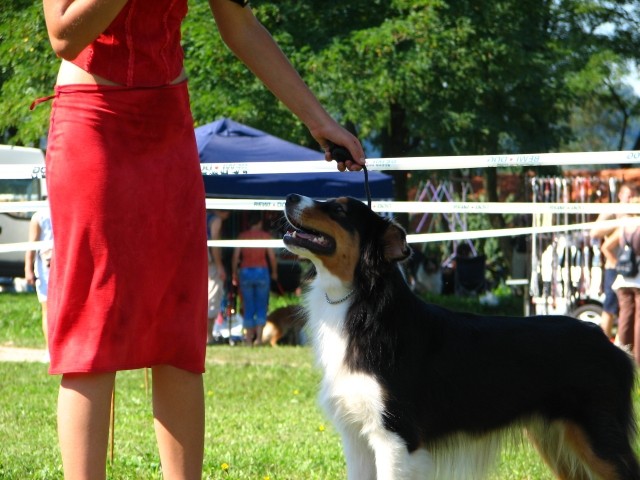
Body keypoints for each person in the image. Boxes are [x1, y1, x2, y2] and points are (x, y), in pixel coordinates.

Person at [39, 1, 366, 479]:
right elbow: (64, 36)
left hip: (169, 122)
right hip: (94, 120)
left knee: (179, 328)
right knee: (92, 325)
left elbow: (240, 25)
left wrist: (318, 120)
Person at [590, 182, 636, 338]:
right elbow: (594, 232)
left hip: (634, 269)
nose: (631, 200)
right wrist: (619, 225)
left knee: (628, 309)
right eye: (628, 196)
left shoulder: (636, 212)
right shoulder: (613, 210)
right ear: (620, 195)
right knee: (610, 306)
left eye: (634, 196)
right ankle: (603, 342)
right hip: (614, 265)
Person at [231, 212, 278, 346]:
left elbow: (235, 257)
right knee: (262, 305)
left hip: (245, 271)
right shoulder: (265, 236)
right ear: (259, 223)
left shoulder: (242, 237)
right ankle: (258, 339)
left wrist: (235, 273)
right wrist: (274, 272)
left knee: (247, 305)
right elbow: (272, 257)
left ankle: (247, 339)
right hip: (262, 271)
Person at [603, 199, 640, 364]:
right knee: (639, 321)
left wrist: (615, 264)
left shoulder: (624, 226)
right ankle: (638, 361)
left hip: (623, 279)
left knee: (624, 319)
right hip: (638, 280)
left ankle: (623, 359)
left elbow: (606, 247)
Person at [24, 206, 53, 351]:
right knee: (47, 309)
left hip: (61, 265)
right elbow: (32, 245)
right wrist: (28, 269)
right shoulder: (39, 216)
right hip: (45, 269)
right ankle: (50, 349)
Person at [207, 209, 230, 345]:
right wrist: (220, 266)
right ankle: (208, 337)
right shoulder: (216, 220)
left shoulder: (201, 214)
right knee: (212, 300)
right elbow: (214, 246)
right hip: (211, 264)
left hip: (200, 264)